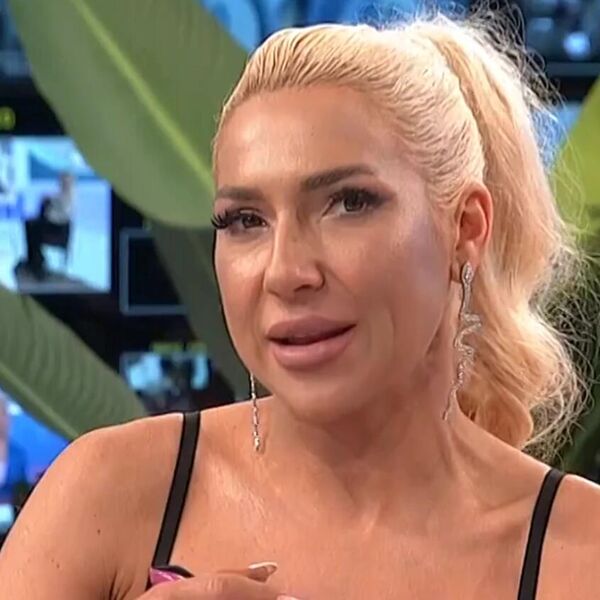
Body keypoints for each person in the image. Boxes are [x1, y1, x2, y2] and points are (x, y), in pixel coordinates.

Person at [0, 12, 599, 600]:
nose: (286, 272)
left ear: (464, 227)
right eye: (245, 220)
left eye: (349, 203)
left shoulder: (583, 554)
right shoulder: (107, 497)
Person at [16, 171, 74, 279]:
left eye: (65, 181)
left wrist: (49, 212)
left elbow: (61, 217)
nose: (62, 182)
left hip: (59, 229)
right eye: (61, 180)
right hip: (51, 224)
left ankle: (38, 263)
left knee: (34, 230)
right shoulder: (60, 195)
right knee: (29, 225)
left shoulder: (69, 197)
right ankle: (33, 260)